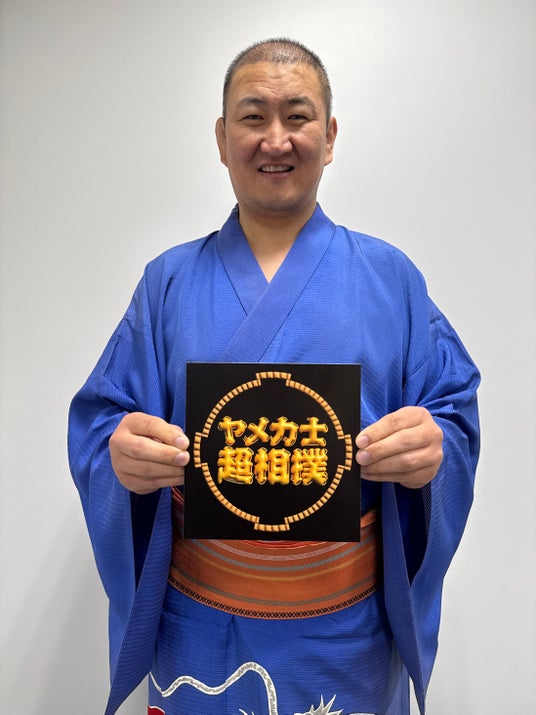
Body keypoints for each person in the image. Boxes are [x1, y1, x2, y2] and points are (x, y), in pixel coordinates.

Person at [68, 38, 480, 715]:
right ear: (222, 138)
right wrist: (121, 454)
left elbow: (453, 413)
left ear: (330, 135)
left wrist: (434, 447)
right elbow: (101, 422)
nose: (276, 139)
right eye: (254, 117)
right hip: (200, 629)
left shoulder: (392, 278)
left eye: (298, 116)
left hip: (347, 637)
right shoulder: (167, 282)